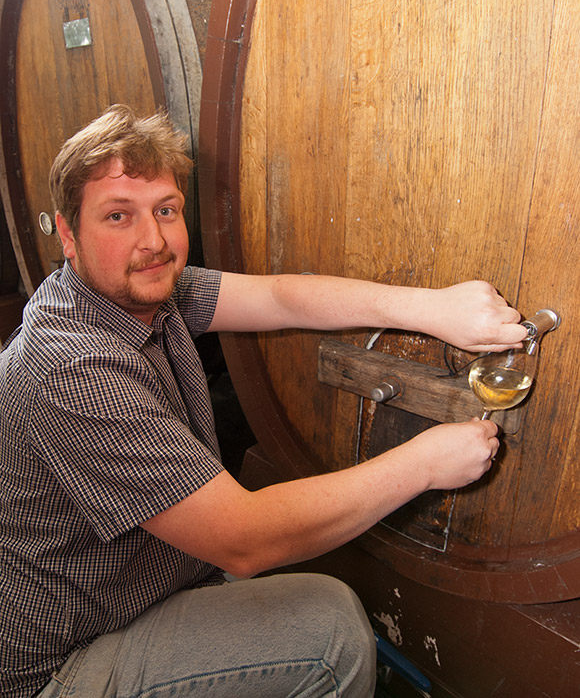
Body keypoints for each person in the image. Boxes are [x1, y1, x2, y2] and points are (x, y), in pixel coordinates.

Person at [0, 105, 526, 698]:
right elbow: (244, 540)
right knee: (330, 633)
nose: (153, 240)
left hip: (150, 589)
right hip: (64, 664)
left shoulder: (138, 289)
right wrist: (426, 464)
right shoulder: (70, 367)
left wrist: (432, 307)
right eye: (117, 216)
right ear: (69, 236)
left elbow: (279, 299)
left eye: (166, 211)